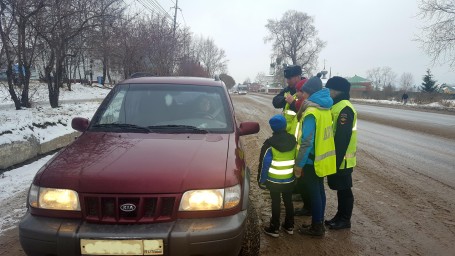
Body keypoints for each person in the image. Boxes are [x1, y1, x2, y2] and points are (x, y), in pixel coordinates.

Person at [293, 76, 337, 236]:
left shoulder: (311, 112)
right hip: (322, 158)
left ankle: (317, 226)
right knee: (319, 191)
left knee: (314, 193)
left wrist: (299, 165)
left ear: (310, 92)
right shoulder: (325, 109)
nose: (302, 95)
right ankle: (318, 222)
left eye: (304, 92)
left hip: (311, 160)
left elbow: (306, 142)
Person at [324, 76, 357, 230]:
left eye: (329, 89)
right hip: (338, 157)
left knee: (344, 189)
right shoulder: (336, 105)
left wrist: (335, 162)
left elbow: (342, 138)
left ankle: (345, 219)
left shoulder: (344, 108)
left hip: (342, 159)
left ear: (336, 91)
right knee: (341, 189)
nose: (327, 92)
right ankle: (339, 216)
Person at [258, 114, 297, 238]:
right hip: (289, 179)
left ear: (272, 128)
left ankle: (274, 228)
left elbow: (264, 164)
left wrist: (261, 180)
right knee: (288, 201)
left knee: (275, 202)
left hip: (273, 180)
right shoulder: (293, 141)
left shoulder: (269, 144)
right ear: (285, 125)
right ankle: (289, 225)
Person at [291, 78, 312, 217]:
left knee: (310, 186)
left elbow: (307, 140)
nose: (298, 93)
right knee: (306, 184)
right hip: (301, 150)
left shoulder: (308, 108)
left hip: (307, 155)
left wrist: (300, 163)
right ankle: (309, 206)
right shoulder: (304, 105)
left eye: (300, 91)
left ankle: (312, 213)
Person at [272, 65, 302, 133]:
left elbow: (306, 111)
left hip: (300, 132)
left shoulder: (306, 91)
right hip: (288, 132)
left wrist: (293, 103)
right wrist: (284, 99)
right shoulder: (288, 89)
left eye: (289, 79)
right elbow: (275, 102)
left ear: (298, 77)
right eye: (287, 79)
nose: (287, 81)